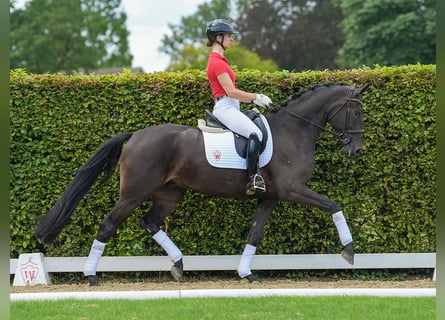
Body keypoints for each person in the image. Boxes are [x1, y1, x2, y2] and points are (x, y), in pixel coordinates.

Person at [206, 19, 273, 196]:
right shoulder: (216, 62)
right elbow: (230, 91)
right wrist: (255, 97)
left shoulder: (221, 60)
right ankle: (252, 179)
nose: (232, 39)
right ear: (218, 37)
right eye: (228, 36)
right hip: (225, 107)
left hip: (231, 107)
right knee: (255, 134)